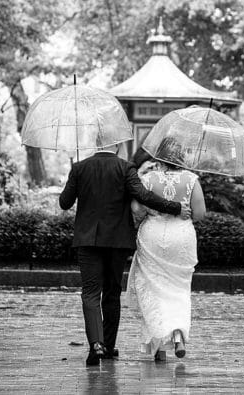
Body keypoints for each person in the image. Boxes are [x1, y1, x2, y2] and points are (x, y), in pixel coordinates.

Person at [59, 143, 190, 366]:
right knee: (112, 292)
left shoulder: (80, 167)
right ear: (118, 145)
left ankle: (96, 345)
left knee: (91, 293)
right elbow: (142, 195)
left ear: (96, 143)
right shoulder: (125, 168)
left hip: (88, 240)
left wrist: (78, 180)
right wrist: (175, 208)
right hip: (117, 240)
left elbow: (64, 203)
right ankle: (108, 346)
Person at [127, 150, 207, 362]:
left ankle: (159, 348)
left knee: (154, 289)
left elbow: (137, 210)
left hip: (152, 236)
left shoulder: (148, 179)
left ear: (159, 159)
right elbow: (199, 214)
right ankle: (178, 335)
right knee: (179, 290)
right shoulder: (191, 179)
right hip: (181, 237)